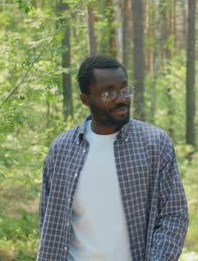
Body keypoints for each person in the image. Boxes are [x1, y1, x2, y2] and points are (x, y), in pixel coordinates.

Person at [37, 55, 189, 261]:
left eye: (124, 89)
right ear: (85, 99)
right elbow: (49, 221)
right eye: (108, 93)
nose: (121, 98)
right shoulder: (62, 150)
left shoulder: (155, 143)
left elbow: (174, 214)